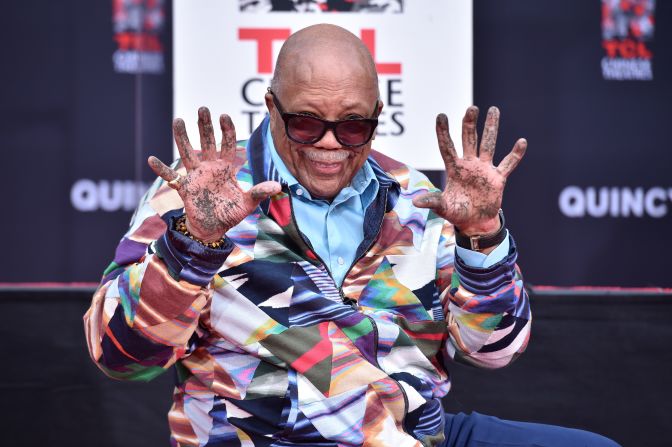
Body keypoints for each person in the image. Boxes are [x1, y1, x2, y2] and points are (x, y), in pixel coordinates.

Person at [84, 24, 619, 447]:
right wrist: (195, 242)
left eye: (353, 125)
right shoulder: (202, 195)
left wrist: (481, 233)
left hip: (411, 432)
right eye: (306, 123)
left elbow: (495, 351)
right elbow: (119, 359)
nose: (330, 143)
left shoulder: (417, 199)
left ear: (378, 117)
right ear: (271, 107)